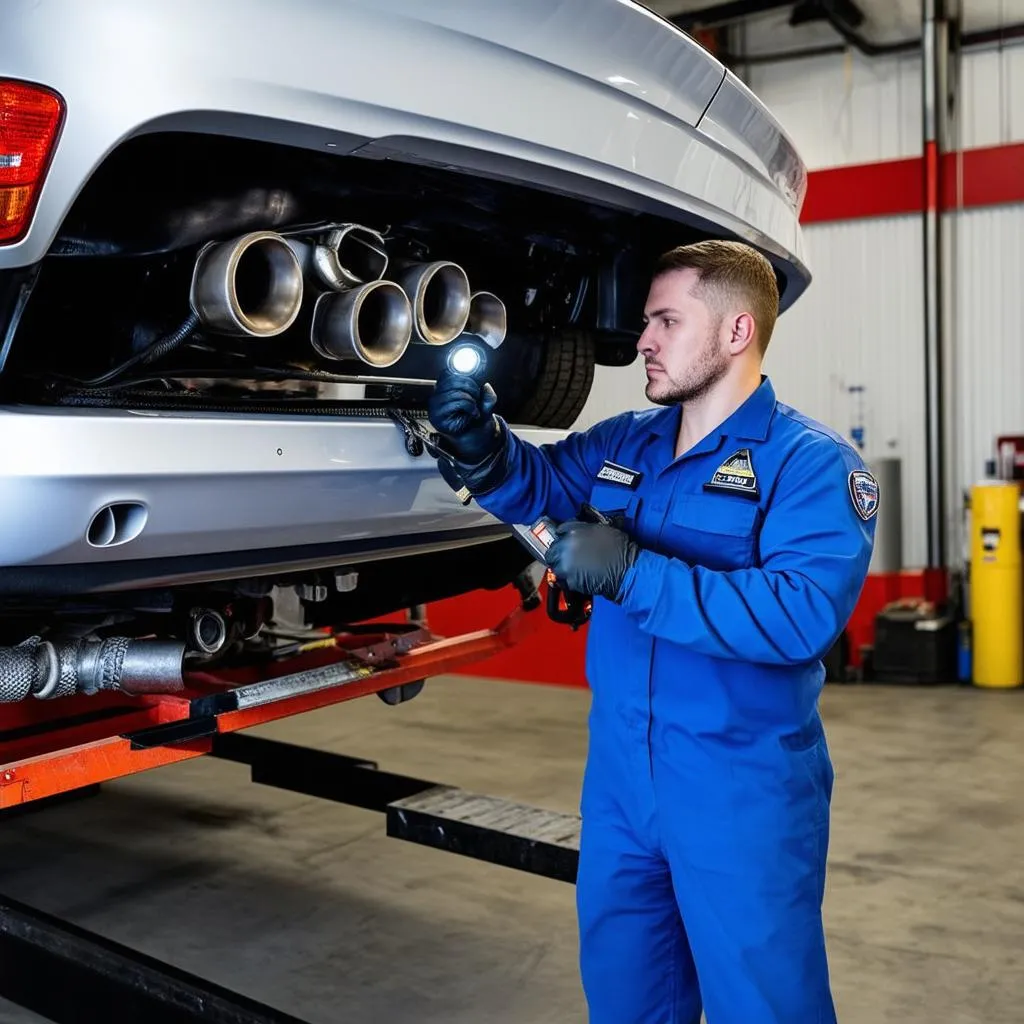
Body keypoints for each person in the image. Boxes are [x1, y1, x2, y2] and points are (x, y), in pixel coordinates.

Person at [427, 239, 878, 1024]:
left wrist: (634, 573)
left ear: (736, 333)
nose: (643, 341)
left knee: (764, 1005)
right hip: (621, 783)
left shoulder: (812, 465)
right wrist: (486, 452)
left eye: (667, 321)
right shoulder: (625, 440)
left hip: (740, 789)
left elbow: (799, 612)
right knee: (629, 997)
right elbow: (542, 486)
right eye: (646, 322)